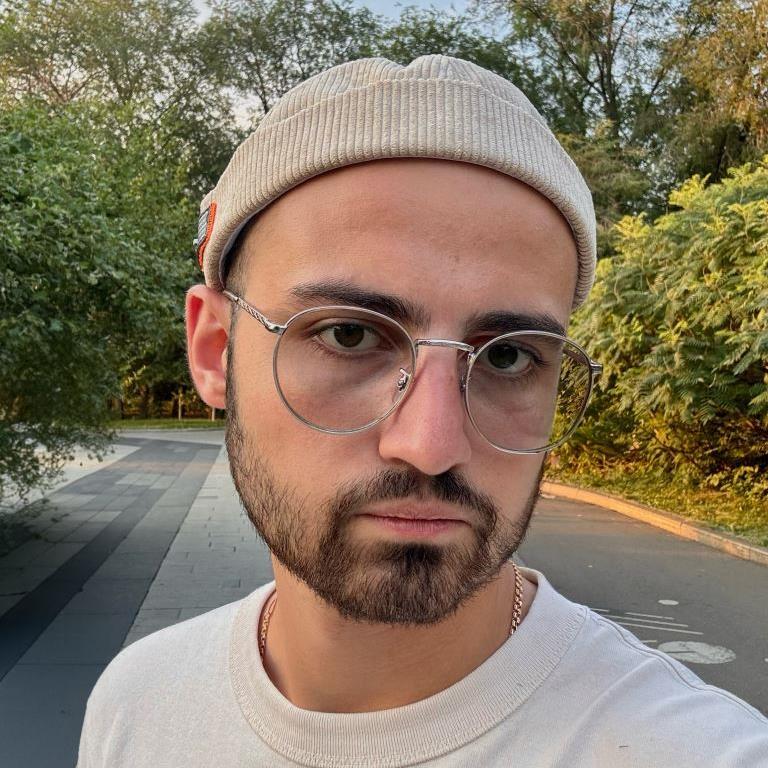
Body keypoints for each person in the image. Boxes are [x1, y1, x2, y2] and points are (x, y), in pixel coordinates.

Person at [77, 55, 768, 767]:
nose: (431, 443)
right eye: (349, 336)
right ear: (215, 350)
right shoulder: (141, 704)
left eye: (508, 356)